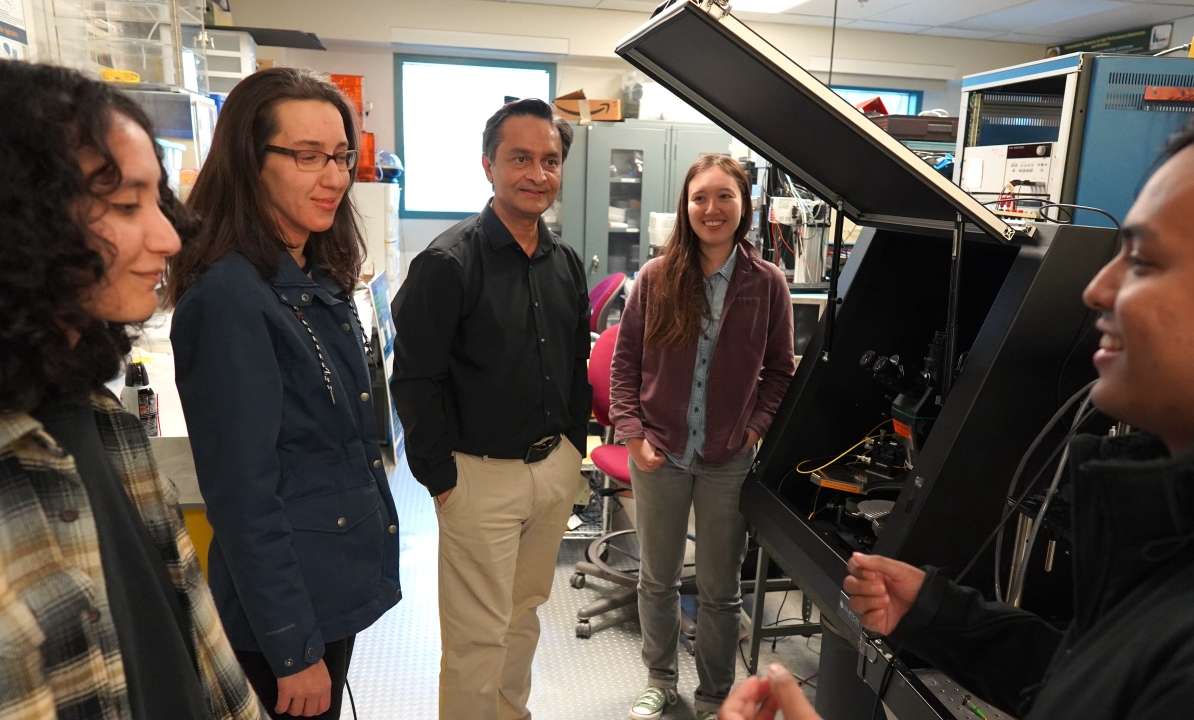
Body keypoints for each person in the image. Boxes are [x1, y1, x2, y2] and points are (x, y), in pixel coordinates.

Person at [723, 102, 1194, 719]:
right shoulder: (1192, 533)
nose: (1097, 289)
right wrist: (941, 617)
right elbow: (1102, 682)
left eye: (1145, 262)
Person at [0, 61, 266, 720]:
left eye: (157, 200)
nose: (169, 236)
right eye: (124, 205)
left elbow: (194, 654)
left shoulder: (100, 419)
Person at [167, 68, 401, 719]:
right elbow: (243, 496)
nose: (333, 177)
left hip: (326, 583)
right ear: (251, 161)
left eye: (341, 157)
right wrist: (292, 651)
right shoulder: (229, 301)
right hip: (285, 614)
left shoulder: (306, 271)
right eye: (307, 157)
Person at [390, 98, 590, 720]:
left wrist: (573, 452)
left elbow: (573, 363)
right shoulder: (447, 264)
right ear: (488, 166)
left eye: (550, 161)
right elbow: (415, 382)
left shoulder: (565, 264)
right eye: (520, 159)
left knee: (524, 615)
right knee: (477, 637)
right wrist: (442, 481)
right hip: (478, 479)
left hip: (551, 470)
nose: (537, 174)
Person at [610, 154, 795, 720]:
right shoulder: (657, 277)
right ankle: (660, 679)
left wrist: (755, 430)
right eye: (699, 198)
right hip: (659, 452)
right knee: (658, 579)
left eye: (724, 197)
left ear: (744, 206)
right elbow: (625, 368)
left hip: (726, 459)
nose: (711, 209)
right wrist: (634, 435)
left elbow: (780, 371)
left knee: (720, 590)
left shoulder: (767, 284)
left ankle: (716, 695)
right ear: (686, 207)